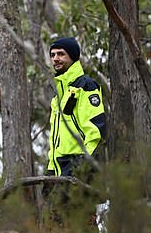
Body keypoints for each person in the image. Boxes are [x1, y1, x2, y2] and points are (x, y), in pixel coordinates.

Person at [44, 37, 106, 223]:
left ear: (73, 57)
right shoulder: (58, 97)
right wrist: (50, 173)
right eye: (53, 55)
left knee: (81, 230)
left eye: (61, 54)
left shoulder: (86, 86)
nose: (56, 59)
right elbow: (56, 141)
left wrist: (80, 169)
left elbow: (96, 131)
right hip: (59, 172)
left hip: (78, 170)